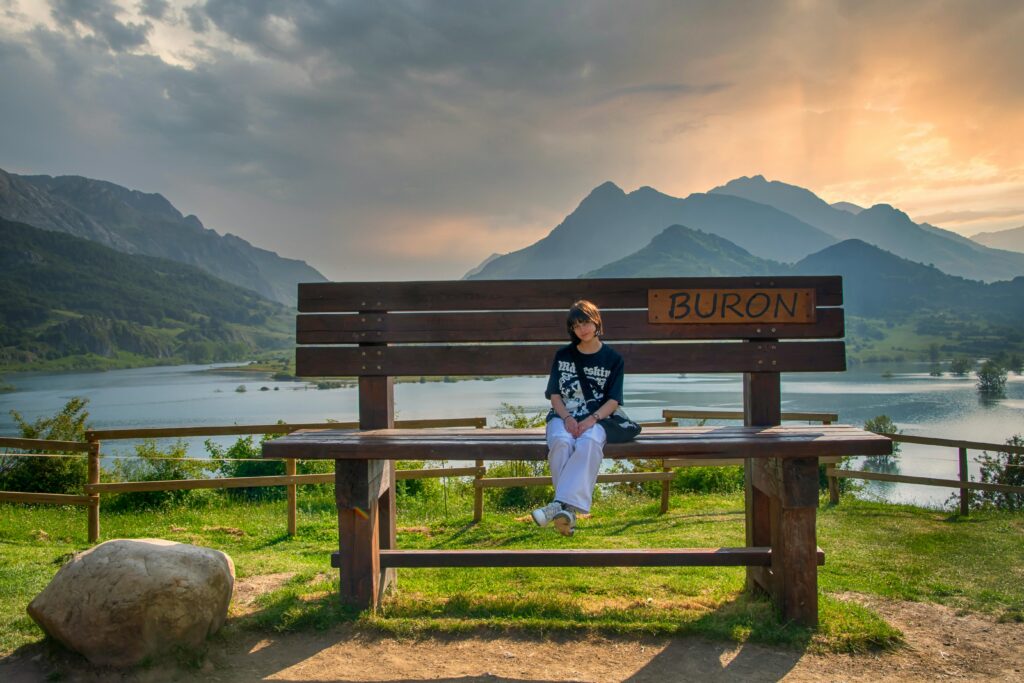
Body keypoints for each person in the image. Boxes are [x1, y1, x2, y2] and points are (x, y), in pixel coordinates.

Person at [532, 299, 624, 536]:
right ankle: (568, 511)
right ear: (571, 330)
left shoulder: (613, 359)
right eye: (576, 325)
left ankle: (556, 507)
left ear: (596, 322)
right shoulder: (563, 355)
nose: (582, 328)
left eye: (586, 322)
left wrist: (591, 419)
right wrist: (567, 418)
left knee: (589, 443)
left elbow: (613, 400)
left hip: (597, 418)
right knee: (562, 443)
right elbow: (554, 394)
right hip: (562, 416)